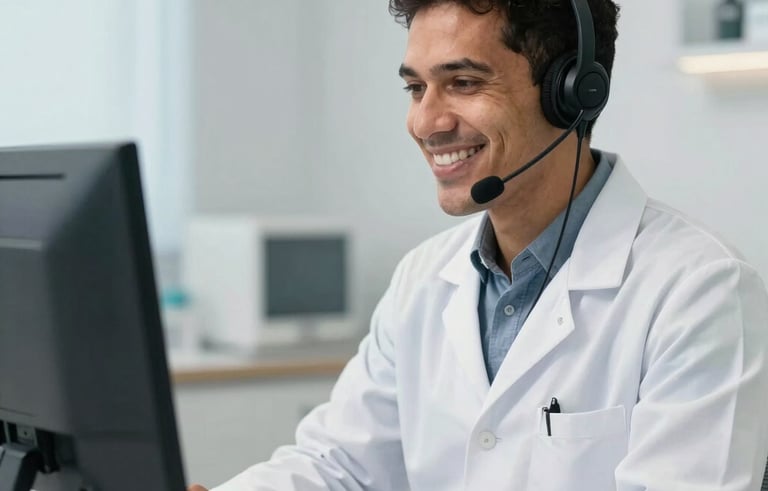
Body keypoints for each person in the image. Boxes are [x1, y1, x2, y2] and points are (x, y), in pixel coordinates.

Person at [191, 1, 768, 489]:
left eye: (463, 83)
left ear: (573, 91)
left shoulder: (700, 290)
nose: (426, 122)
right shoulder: (422, 277)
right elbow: (339, 465)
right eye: (416, 87)